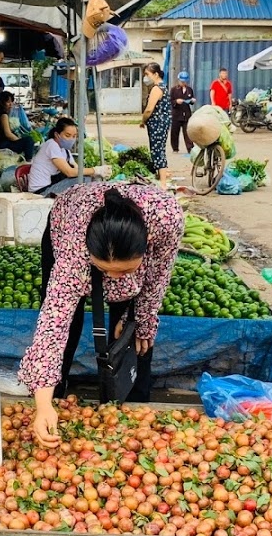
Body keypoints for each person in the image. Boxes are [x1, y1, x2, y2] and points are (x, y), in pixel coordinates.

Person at [20, 184, 183, 446]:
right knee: (68, 323)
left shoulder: (166, 219)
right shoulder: (72, 252)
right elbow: (52, 326)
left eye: (125, 271)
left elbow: (157, 276)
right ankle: (54, 395)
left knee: (131, 331)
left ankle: (133, 405)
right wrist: (42, 405)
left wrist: (142, 321)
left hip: (138, 227)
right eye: (105, 270)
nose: (113, 279)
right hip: (69, 217)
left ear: (147, 244)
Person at [27, 117, 106, 196]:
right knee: (84, 180)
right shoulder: (51, 145)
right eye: (67, 135)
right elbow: (69, 172)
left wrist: (94, 174)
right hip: (41, 191)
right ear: (57, 135)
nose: (71, 139)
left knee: (88, 178)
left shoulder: (65, 150)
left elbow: (76, 169)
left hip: (51, 185)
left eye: (74, 136)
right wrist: (95, 170)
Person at [140, 63, 171, 172]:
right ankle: (162, 175)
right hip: (163, 122)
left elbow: (149, 109)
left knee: (157, 151)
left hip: (157, 123)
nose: (146, 77)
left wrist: (143, 121)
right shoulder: (164, 87)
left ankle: (162, 181)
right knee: (160, 149)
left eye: (147, 74)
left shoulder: (157, 89)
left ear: (156, 74)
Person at [0, 91, 36, 159]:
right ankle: (28, 162)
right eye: (8, 102)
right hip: (3, 144)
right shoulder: (3, 115)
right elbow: (8, 134)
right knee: (29, 141)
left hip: (1, 142)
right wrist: (19, 140)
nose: (11, 104)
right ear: (2, 103)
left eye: (11, 101)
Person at [168, 71, 196, 153]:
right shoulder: (174, 90)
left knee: (187, 132)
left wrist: (192, 101)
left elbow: (191, 100)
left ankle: (190, 148)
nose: (183, 83)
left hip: (186, 114)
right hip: (176, 114)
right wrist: (176, 101)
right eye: (181, 81)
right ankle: (175, 148)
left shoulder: (189, 90)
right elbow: (170, 101)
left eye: (184, 81)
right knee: (174, 132)